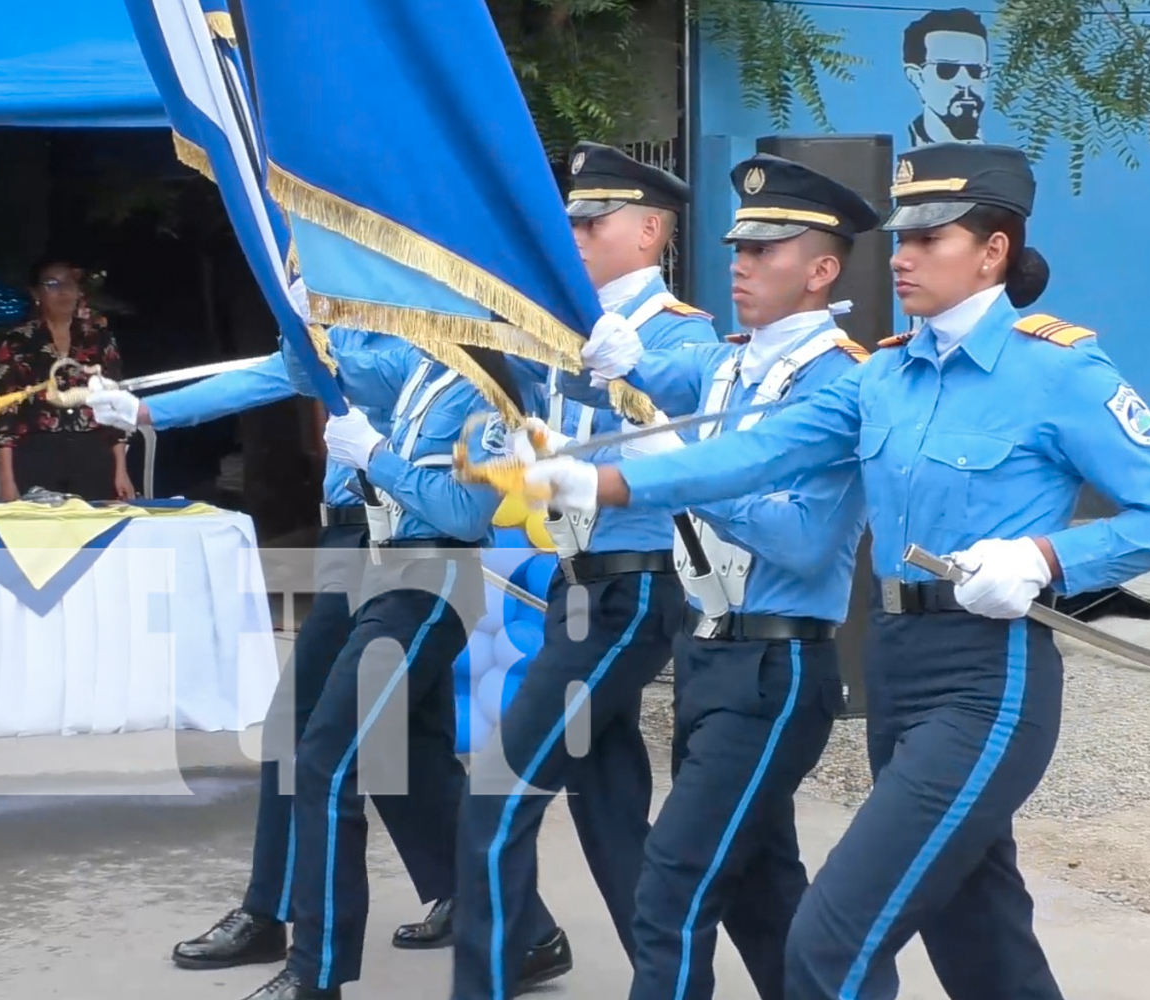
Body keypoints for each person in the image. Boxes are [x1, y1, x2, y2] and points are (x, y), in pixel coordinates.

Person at [524, 142, 1150, 999]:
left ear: (994, 250)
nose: (902, 256)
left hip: (988, 675)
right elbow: (759, 453)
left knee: (833, 936)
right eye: (901, 237)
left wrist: (1045, 556)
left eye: (929, 238)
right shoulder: (884, 374)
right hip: (895, 659)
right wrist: (607, 481)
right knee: (978, 933)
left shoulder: (1056, 371)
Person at [557, 152, 875, 1000]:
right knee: (763, 895)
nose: (740, 265)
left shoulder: (839, 381)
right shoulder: (727, 364)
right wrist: (611, 355)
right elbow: (633, 376)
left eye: (765, 251)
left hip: (776, 661)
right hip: (708, 654)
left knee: (671, 886)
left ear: (821, 271)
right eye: (738, 248)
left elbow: (805, 542)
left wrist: (685, 468)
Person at [85, 338, 467, 969]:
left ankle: (271, 910)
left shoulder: (390, 325)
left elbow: (390, 388)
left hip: (397, 537)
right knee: (405, 743)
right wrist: (144, 411)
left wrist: (327, 352)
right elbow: (259, 379)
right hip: (353, 536)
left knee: (306, 729)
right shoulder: (330, 327)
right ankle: (500, 910)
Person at [451, 141, 715, 1000]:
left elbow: (692, 412)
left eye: (593, 223)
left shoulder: (677, 331)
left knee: (497, 797)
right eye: (570, 222)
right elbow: (521, 402)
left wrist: (625, 368)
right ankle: (669, 981)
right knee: (607, 805)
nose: (574, 237)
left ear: (648, 233)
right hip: (575, 579)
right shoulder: (564, 327)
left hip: (630, 583)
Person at [224, 332, 558, 1000]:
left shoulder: (485, 388)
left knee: (326, 758)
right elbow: (307, 368)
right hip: (383, 571)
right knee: (401, 756)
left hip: (428, 579)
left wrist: (377, 458)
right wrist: (298, 316)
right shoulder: (417, 364)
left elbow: (465, 512)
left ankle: (315, 971)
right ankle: (525, 931)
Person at [0, 259, 135, 502]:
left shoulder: (99, 339)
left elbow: (115, 406)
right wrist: (6, 480)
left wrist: (121, 470)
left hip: (92, 452)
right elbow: (4, 413)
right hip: (37, 453)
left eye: (69, 283)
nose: (63, 291)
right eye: (52, 284)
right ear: (36, 293)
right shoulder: (17, 342)